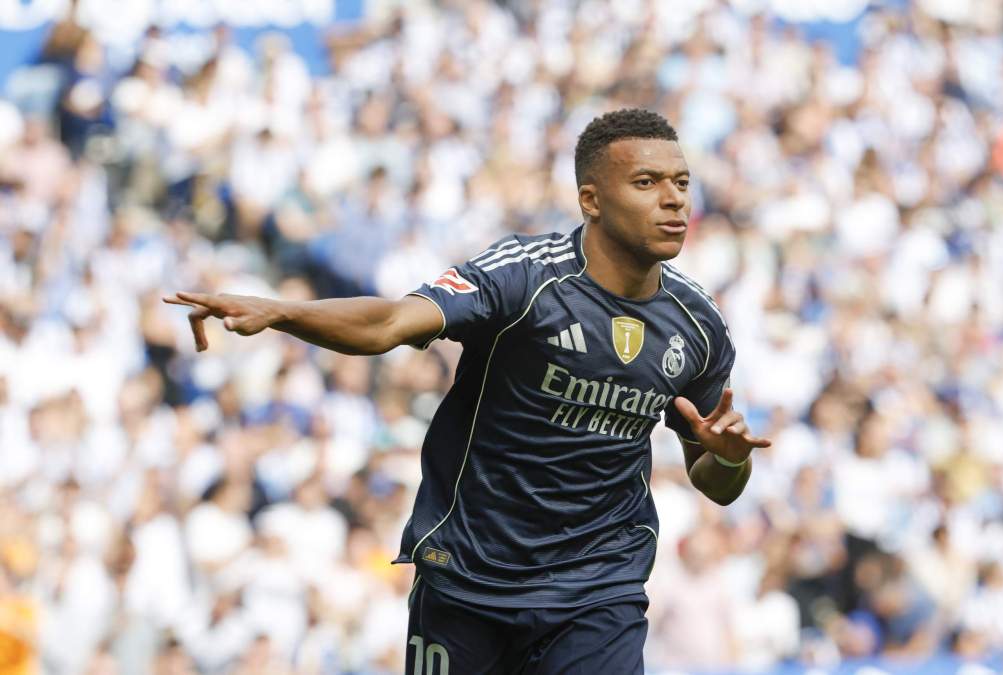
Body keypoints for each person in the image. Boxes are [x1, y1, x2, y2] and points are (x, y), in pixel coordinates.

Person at [164, 108, 770, 673]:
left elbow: (715, 484)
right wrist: (281, 312)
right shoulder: (524, 276)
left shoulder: (698, 325)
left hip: (597, 588)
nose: (674, 200)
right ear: (591, 199)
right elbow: (391, 324)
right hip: (470, 578)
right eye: (646, 182)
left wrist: (730, 459)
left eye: (682, 183)